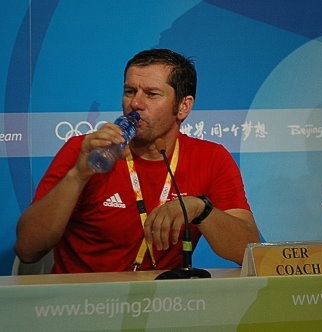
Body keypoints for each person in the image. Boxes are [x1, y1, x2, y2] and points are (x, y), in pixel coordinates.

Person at [14, 49, 260, 273]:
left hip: (164, 306)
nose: (135, 104)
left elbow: (248, 251)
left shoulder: (211, 157)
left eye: (151, 94)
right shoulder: (86, 150)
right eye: (130, 91)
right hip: (84, 306)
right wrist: (78, 175)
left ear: (183, 107)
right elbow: (28, 249)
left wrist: (200, 209)